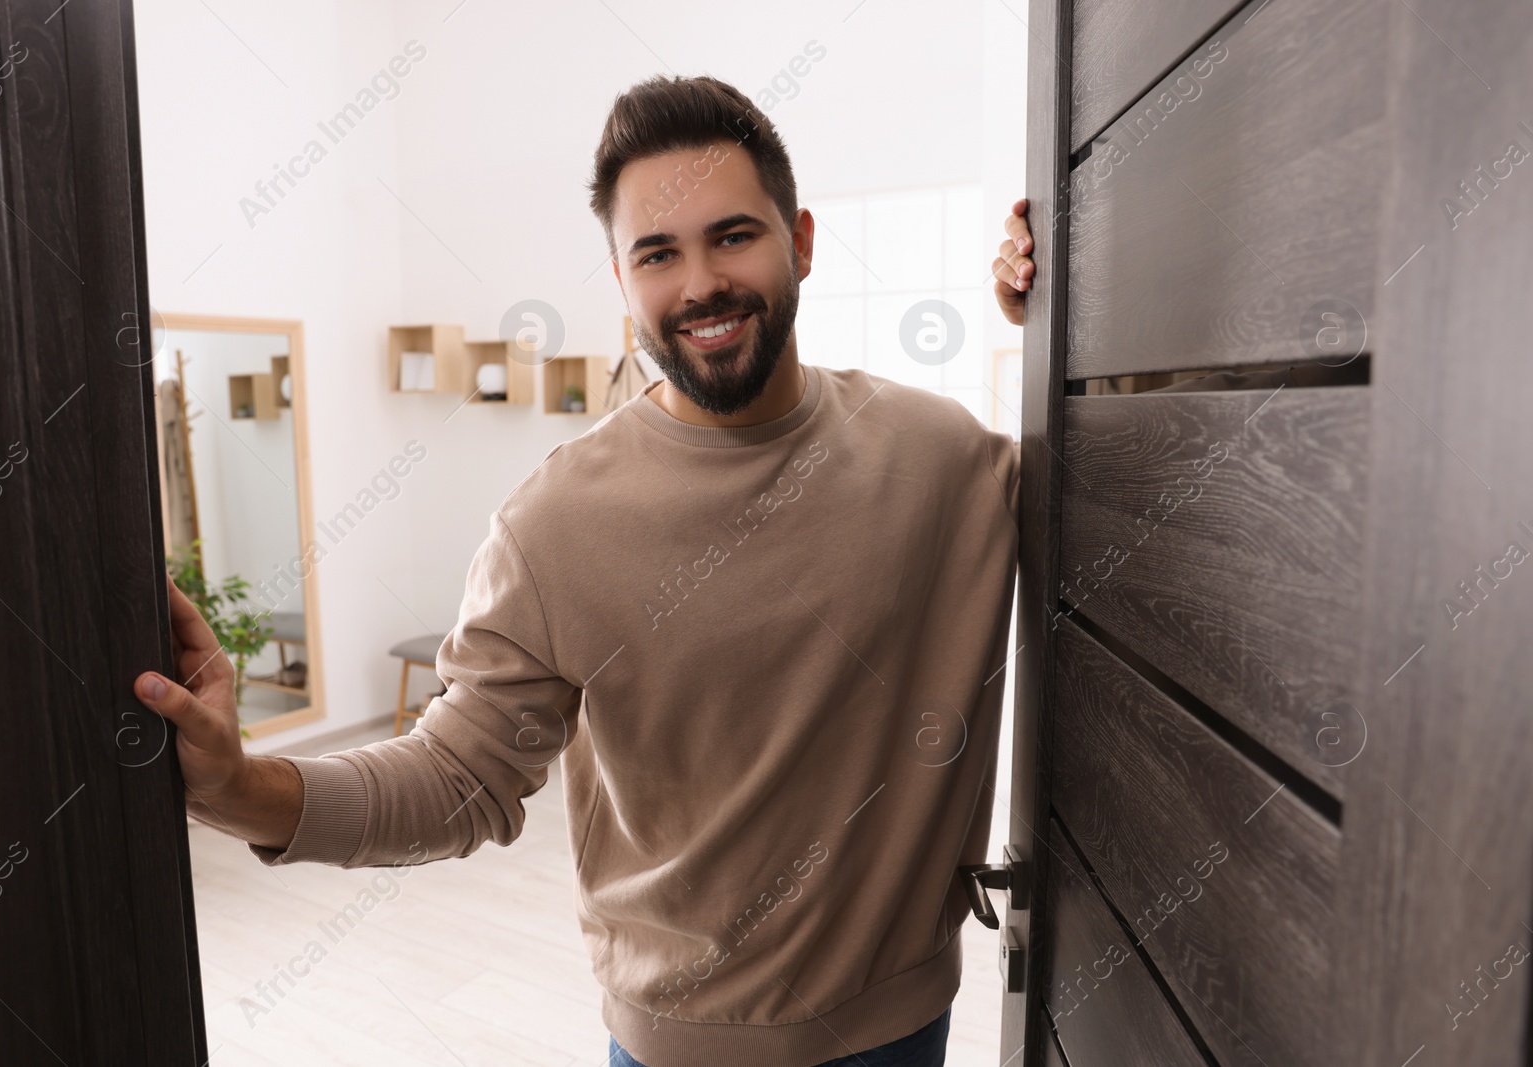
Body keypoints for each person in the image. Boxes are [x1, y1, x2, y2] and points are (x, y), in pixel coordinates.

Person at [135, 75, 1040, 1067]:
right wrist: (241, 786)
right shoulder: (554, 524)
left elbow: (1129, 452)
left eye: (732, 234)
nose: (698, 282)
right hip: (678, 1045)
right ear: (621, 281)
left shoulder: (945, 460)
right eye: (657, 253)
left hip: (903, 1025)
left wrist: (1055, 298)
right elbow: (456, 775)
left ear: (803, 242)